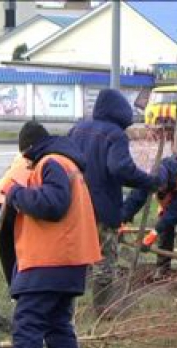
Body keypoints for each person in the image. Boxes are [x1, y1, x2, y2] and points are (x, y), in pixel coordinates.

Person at [3, 121, 101, 348]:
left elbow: (53, 204)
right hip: (69, 259)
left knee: (28, 319)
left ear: (29, 149)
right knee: (57, 322)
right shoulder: (67, 162)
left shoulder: (50, 162)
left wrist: (17, 195)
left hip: (49, 259)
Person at [68, 89, 158, 310]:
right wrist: (148, 181)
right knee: (104, 259)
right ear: (121, 113)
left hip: (73, 204)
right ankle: (103, 308)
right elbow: (120, 168)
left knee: (73, 255)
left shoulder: (77, 129)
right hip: (102, 207)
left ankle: (68, 307)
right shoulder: (115, 135)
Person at [122, 147, 177, 277]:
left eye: (160, 188)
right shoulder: (153, 176)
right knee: (165, 232)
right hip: (171, 200)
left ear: (167, 182)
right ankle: (163, 267)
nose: (157, 191)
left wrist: (154, 232)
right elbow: (136, 197)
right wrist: (122, 218)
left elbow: (175, 213)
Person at [0, 154, 30, 287]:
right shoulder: (44, 158)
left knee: (8, 253)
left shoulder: (21, 156)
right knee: (26, 253)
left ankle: (14, 288)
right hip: (17, 201)